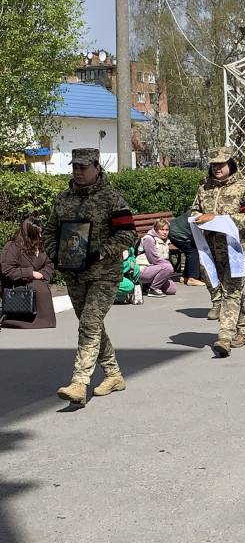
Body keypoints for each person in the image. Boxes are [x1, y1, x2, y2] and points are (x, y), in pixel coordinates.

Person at [42, 147, 136, 404]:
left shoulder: (112, 199)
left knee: (90, 323)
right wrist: (56, 254)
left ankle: (79, 382)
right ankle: (114, 375)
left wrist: (101, 253)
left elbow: (128, 234)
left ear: (97, 167)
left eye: (83, 167)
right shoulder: (63, 199)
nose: (78, 172)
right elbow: (50, 232)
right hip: (74, 274)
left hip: (104, 273)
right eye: (75, 167)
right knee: (91, 325)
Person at [191, 147, 245, 358]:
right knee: (230, 290)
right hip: (213, 250)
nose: (217, 168)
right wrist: (198, 217)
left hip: (240, 250)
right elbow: (195, 210)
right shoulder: (204, 188)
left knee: (231, 290)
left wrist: (218, 219)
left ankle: (225, 336)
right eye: (213, 165)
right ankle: (243, 331)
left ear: (230, 165)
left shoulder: (244, 188)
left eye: (221, 164)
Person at [0, 216, 56, 329]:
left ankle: (44, 320)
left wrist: (43, 275)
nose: (40, 236)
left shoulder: (41, 246)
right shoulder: (13, 247)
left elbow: (49, 264)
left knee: (41, 288)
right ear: (29, 233)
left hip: (37, 282)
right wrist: (31, 273)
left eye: (41, 233)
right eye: (37, 233)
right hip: (16, 284)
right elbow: (7, 270)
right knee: (38, 288)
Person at [136, 218, 177, 297]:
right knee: (168, 267)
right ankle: (153, 289)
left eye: (167, 230)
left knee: (171, 290)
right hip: (143, 269)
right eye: (162, 229)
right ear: (156, 229)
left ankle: (147, 286)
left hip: (156, 269)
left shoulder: (165, 240)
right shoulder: (149, 239)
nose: (165, 232)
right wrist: (168, 267)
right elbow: (154, 259)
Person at [167, 209, 205, 286]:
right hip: (179, 234)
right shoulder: (202, 215)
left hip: (175, 231)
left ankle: (185, 276)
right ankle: (192, 278)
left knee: (190, 251)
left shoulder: (197, 210)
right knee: (192, 252)